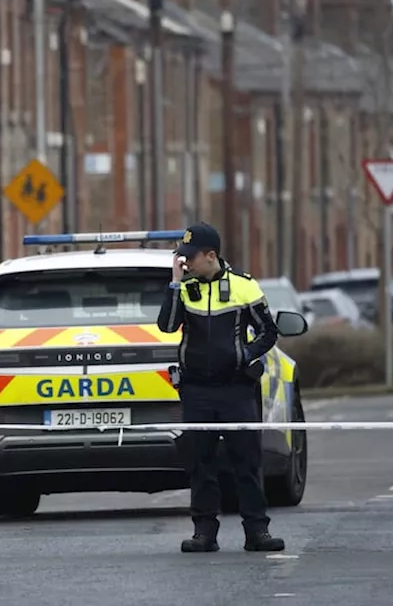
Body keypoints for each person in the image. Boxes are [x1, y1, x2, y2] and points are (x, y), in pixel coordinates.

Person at [156, 222, 285, 554]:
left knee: (247, 461)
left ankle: (257, 532)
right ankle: (204, 533)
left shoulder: (244, 286)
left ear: (210, 255)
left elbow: (268, 332)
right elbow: (167, 326)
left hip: (236, 389)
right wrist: (174, 283)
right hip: (197, 389)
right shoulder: (184, 287)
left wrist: (246, 355)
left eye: (189, 257)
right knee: (201, 462)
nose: (184, 263)